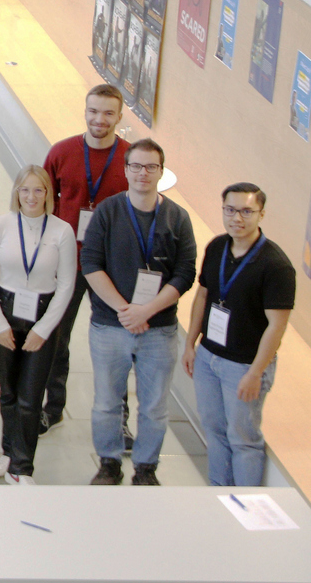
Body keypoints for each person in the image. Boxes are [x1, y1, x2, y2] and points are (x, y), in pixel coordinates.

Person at [80, 138, 196, 486]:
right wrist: (126, 310)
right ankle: (109, 463)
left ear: (162, 172)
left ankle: (146, 468)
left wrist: (146, 310)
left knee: (155, 407)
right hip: (110, 326)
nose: (143, 173)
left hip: (158, 329)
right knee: (106, 404)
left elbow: (185, 273)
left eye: (151, 167)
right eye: (136, 166)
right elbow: (90, 263)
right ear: (125, 170)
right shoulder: (107, 212)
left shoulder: (177, 217)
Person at [184, 182, 295, 487]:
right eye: (230, 210)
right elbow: (203, 295)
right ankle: (220, 494)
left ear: (261, 214)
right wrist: (191, 344)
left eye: (247, 211)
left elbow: (277, 326)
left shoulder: (275, 265)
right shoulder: (217, 246)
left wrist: (256, 373)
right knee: (214, 430)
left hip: (244, 367)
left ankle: (246, 505)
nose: (237, 218)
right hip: (208, 357)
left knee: (243, 439)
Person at [0, 165, 76, 485]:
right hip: (5, 312)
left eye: (38, 190)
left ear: (48, 194)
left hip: (42, 316)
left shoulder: (62, 231)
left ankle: (22, 468)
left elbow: (66, 286)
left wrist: (43, 330)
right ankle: (9, 451)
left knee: (30, 397)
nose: (31, 197)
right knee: (8, 391)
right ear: (16, 192)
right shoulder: (1, 226)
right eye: (25, 190)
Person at [39, 84, 128, 433]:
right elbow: (43, 203)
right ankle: (52, 408)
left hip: (112, 269)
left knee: (116, 348)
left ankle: (118, 421)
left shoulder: (130, 159)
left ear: (119, 117)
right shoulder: (62, 152)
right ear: (85, 111)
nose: (99, 119)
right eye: (93, 111)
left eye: (108, 113)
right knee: (55, 339)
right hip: (67, 264)